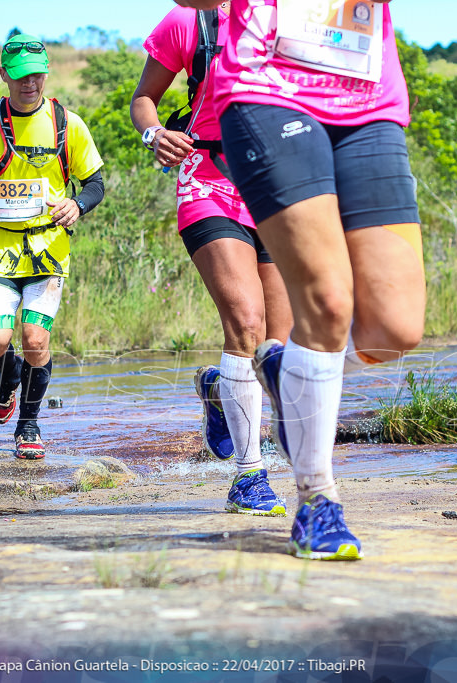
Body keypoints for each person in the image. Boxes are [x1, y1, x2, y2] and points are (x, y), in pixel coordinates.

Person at [173, 0, 426, 560]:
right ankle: (317, 502)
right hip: (268, 86)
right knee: (327, 304)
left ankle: (285, 372)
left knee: (393, 330)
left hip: (366, 92)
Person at [131, 4, 293, 515]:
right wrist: (154, 134)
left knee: (275, 351)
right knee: (245, 323)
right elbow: (144, 99)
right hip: (208, 179)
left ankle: (219, 391)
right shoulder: (192, 21)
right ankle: (248, 477)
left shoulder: (295, 21)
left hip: (276, 187)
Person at [0, 35, 105, 459]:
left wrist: (77, 204)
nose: (29, 83)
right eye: (20, 76)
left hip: (48, 250)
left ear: (46, 74)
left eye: (37, 74)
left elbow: (95, 183)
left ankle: (28, 425)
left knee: (36, 340)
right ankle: (8, 374)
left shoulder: (67, 123)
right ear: (4, 76)